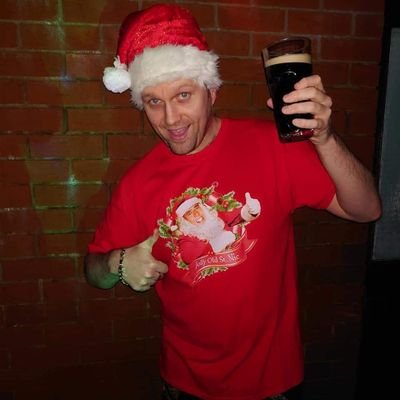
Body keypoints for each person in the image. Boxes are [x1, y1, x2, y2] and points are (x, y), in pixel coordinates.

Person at [84, 3, 381, 400]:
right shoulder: (138, 183)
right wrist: (118, 265)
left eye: (183, 95)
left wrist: (324, 138)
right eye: (154, 101)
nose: (171, 119)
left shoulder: (272, 147)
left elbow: (367, 209)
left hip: (273, 381)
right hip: (186, 384)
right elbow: (93, 270)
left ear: (212, 91)